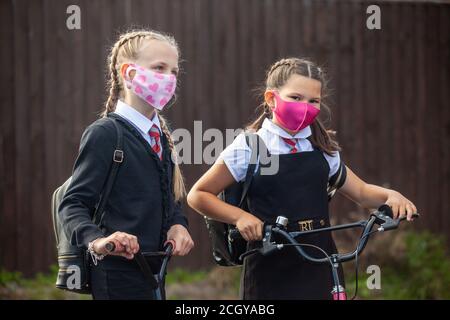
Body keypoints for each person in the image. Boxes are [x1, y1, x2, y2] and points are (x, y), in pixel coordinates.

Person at [187, 57, 418, 300]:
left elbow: (361, 193)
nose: (304, 106)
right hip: (269, 266)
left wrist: (392, 196)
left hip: (321, 261)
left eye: (313, 101)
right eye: (295, 98)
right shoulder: (251, 145)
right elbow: (198, 195)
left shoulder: (320, 147)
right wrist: (241, 217)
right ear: (271, 98)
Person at [58, 29, 194, 300]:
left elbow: (170, 198)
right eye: (159, 68)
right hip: (115, 277)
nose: (169, 78)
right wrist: (99, 241)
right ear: (129, 74)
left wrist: (179, 225)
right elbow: (72, 205)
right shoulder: (105, 134)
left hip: (156, 274)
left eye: (174, 71)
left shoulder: (162, 136)